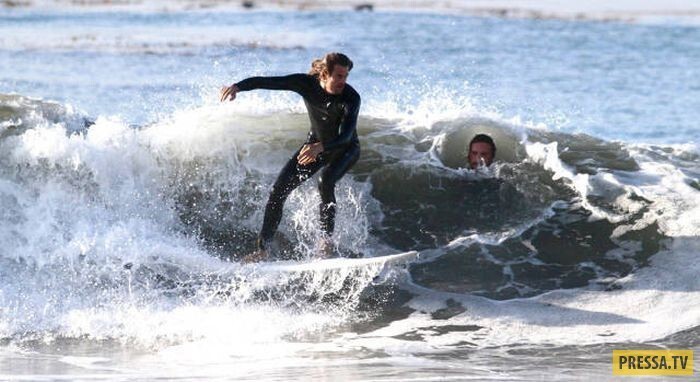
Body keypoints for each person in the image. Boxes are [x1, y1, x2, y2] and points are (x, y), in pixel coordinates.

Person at [220, 52, 360, 262]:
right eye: (338, 76)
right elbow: (271, 82)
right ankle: (262, 250)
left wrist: (320, 147)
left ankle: (326, 243)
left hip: (345, 148)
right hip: (315, 146)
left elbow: (347, 135)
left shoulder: (351, 98)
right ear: (324, 74)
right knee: (278, 191)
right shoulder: (306, 84)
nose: (343, 81)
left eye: (345, 76)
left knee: (326, 181)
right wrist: (238, 86)